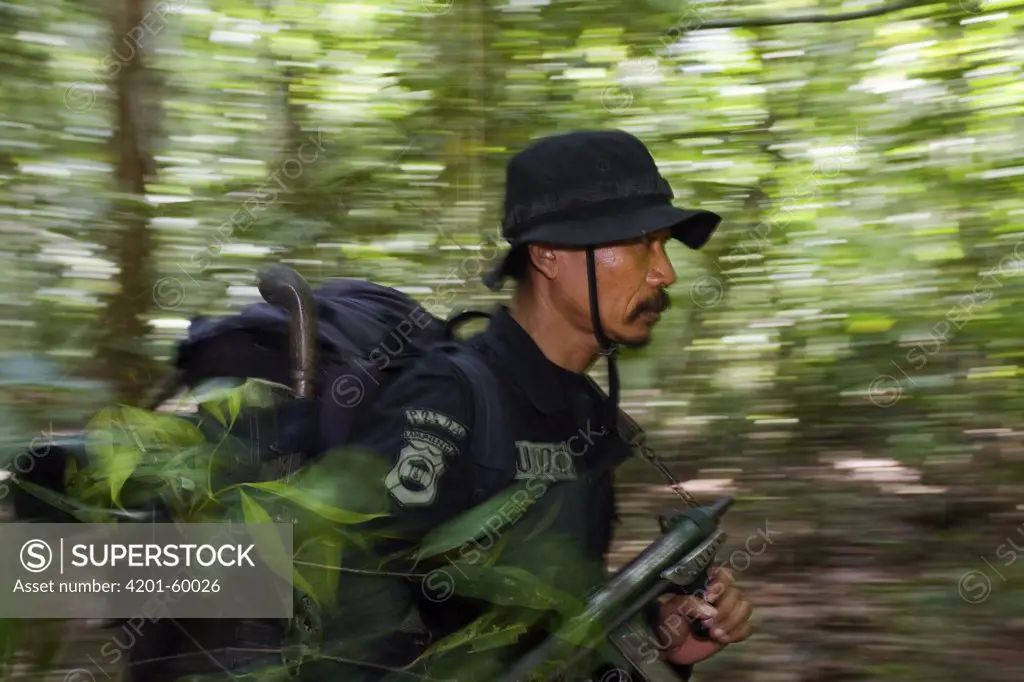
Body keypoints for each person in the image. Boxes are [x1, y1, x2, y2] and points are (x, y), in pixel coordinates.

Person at [309, 129, 754, 682]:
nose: (666, 273)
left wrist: (661, 636)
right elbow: (318, 598)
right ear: (548, 255)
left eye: (663, 246)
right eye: (642, 243)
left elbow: (549, 623)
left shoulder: (585, 412)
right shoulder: (449, 401)